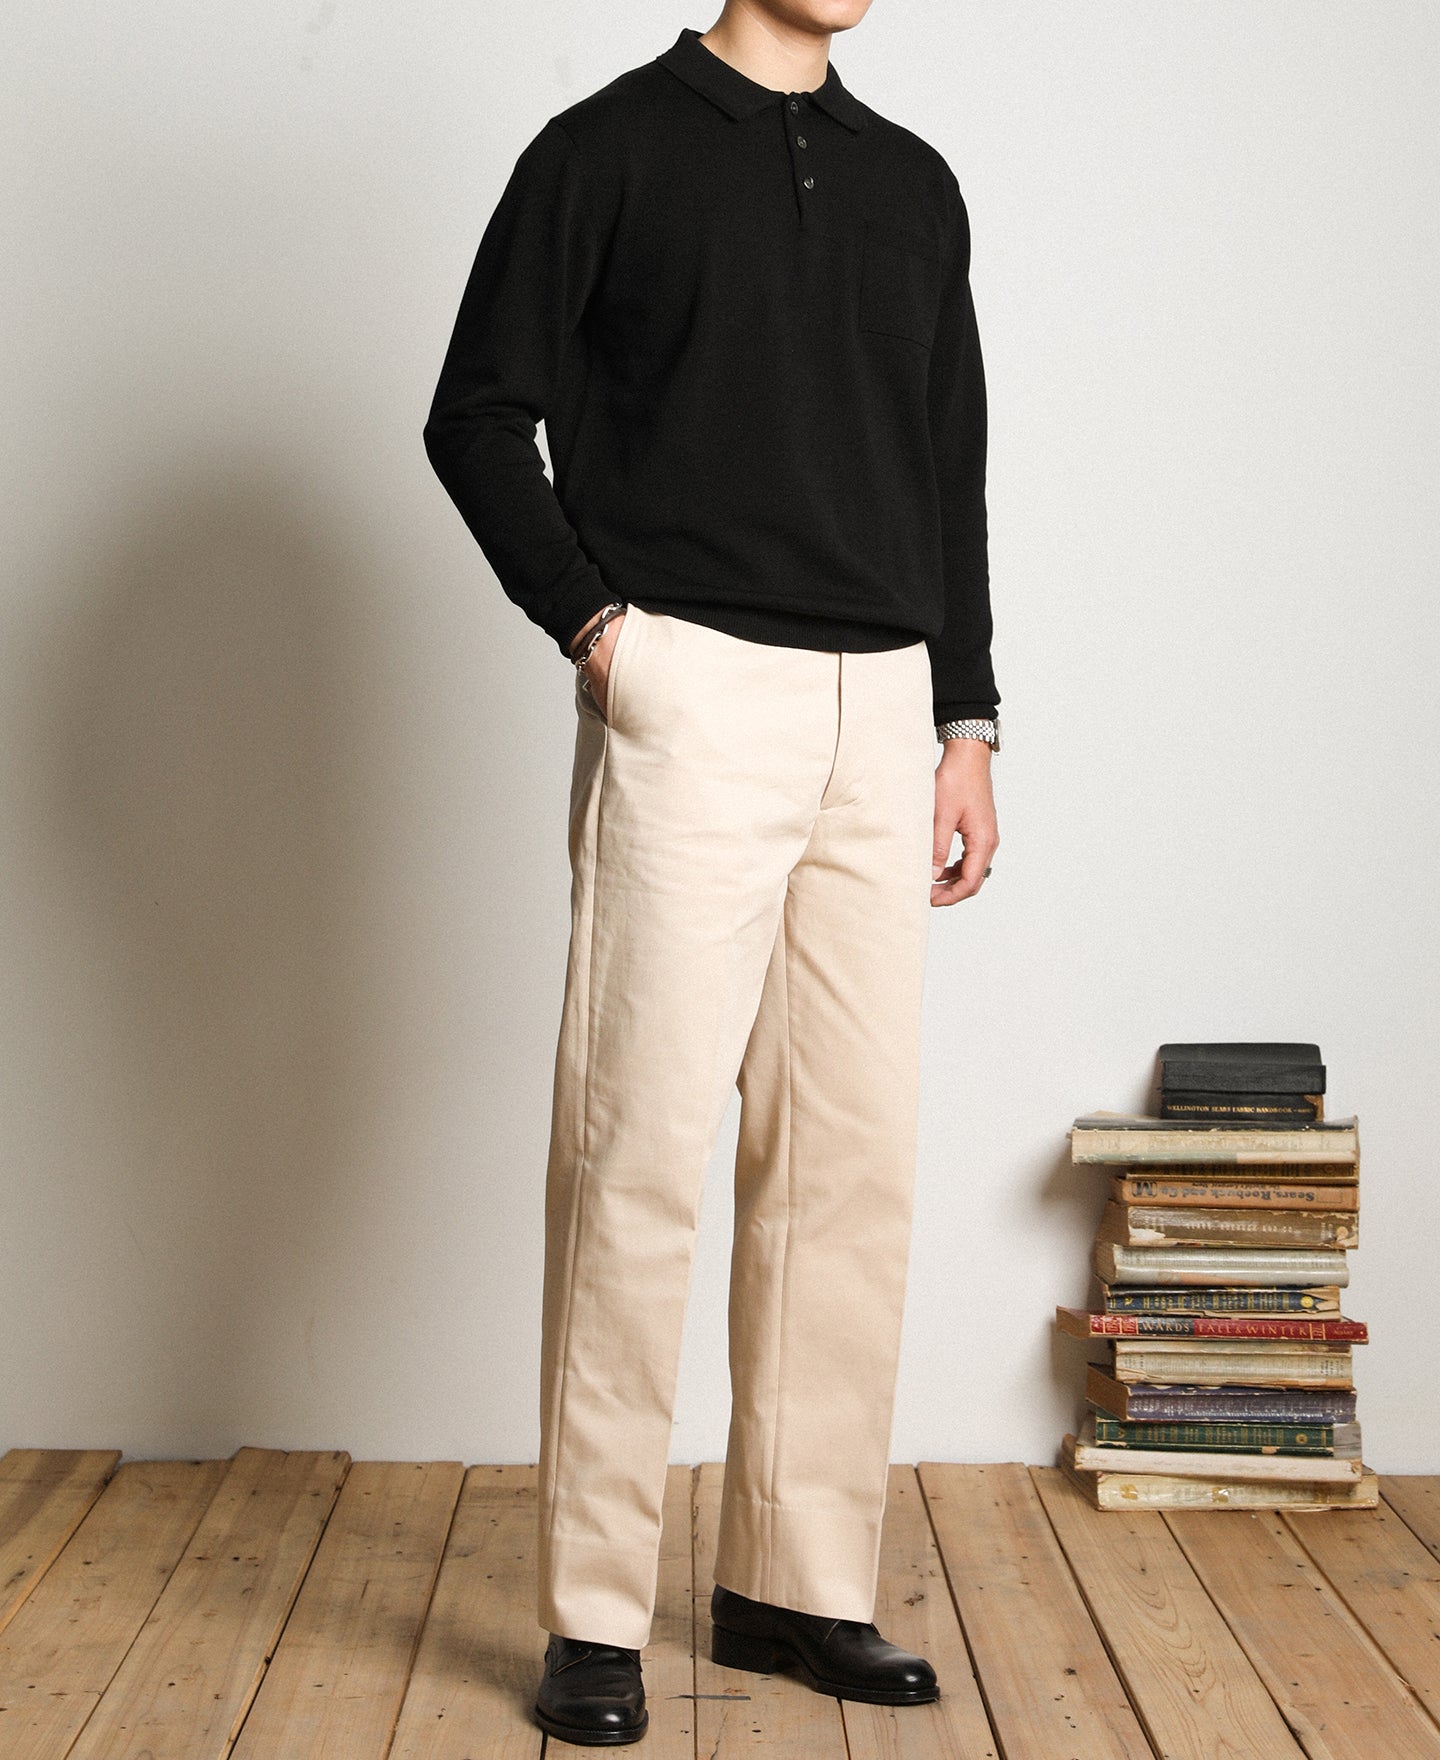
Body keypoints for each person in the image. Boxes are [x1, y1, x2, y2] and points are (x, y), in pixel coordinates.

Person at [423, 0, 1000, 1743]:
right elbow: (476, 415)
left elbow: (949, 468)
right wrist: (600, 634)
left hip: (879, 710)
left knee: (846, 1167)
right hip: (691, 690)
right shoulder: (607, 148)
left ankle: (795, 1583)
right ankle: (595, 1613)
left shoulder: (915, 183)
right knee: (637, 1156)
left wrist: (967, 719)